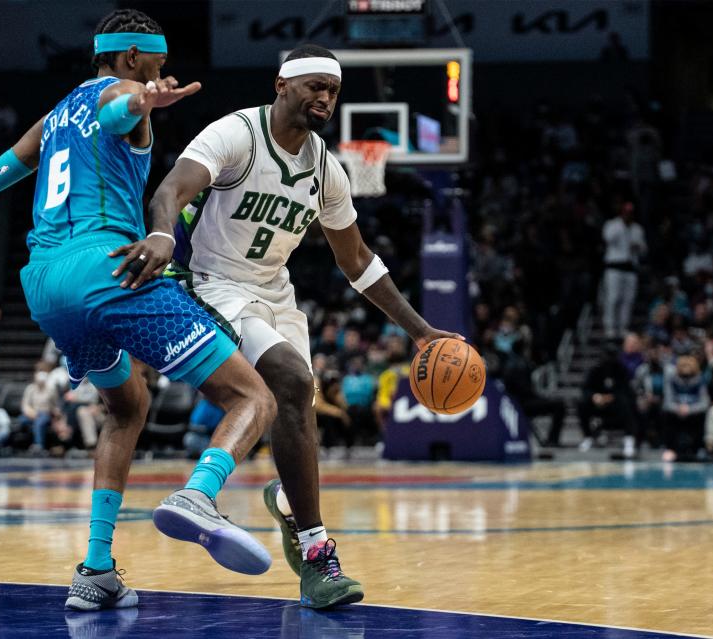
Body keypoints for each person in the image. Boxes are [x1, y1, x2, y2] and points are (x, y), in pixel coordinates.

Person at [0, 8, 277, 613]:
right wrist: (143, 101)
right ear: (135, 57)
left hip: (43, 286)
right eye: (158, 64)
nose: (163, 74)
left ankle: (96, 570)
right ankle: (199, 494)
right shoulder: (128, 92)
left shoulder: (54, 117)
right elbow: (119, 108)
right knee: (254, 398)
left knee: (126, 406)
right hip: (107, 269)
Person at [119, 43, 460, 608]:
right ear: (282, 86)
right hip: (210, 281)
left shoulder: (326, 167)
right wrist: (159, 234)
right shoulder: (235, 134)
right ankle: (295, 538)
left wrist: (421, 331)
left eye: (333, 89)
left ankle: (301, 532)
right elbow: (171, 190)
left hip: (275, 293)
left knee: (298, 406)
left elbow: (358, 263)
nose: (325, 97)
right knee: (292, 383)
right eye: (315, 86)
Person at [601, 202, 646, 339]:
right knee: (613, 298)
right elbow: (607, 238)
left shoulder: (637, 229)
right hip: (614, 267)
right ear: (622, 212)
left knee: (628, 299)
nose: (628, 214)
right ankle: (610, 327)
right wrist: (623, 227)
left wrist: (638, 246)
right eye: (626, 212)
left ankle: (623, 327)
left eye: (631, 212)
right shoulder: (613, 225)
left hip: (630, 268)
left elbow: (644, 249)